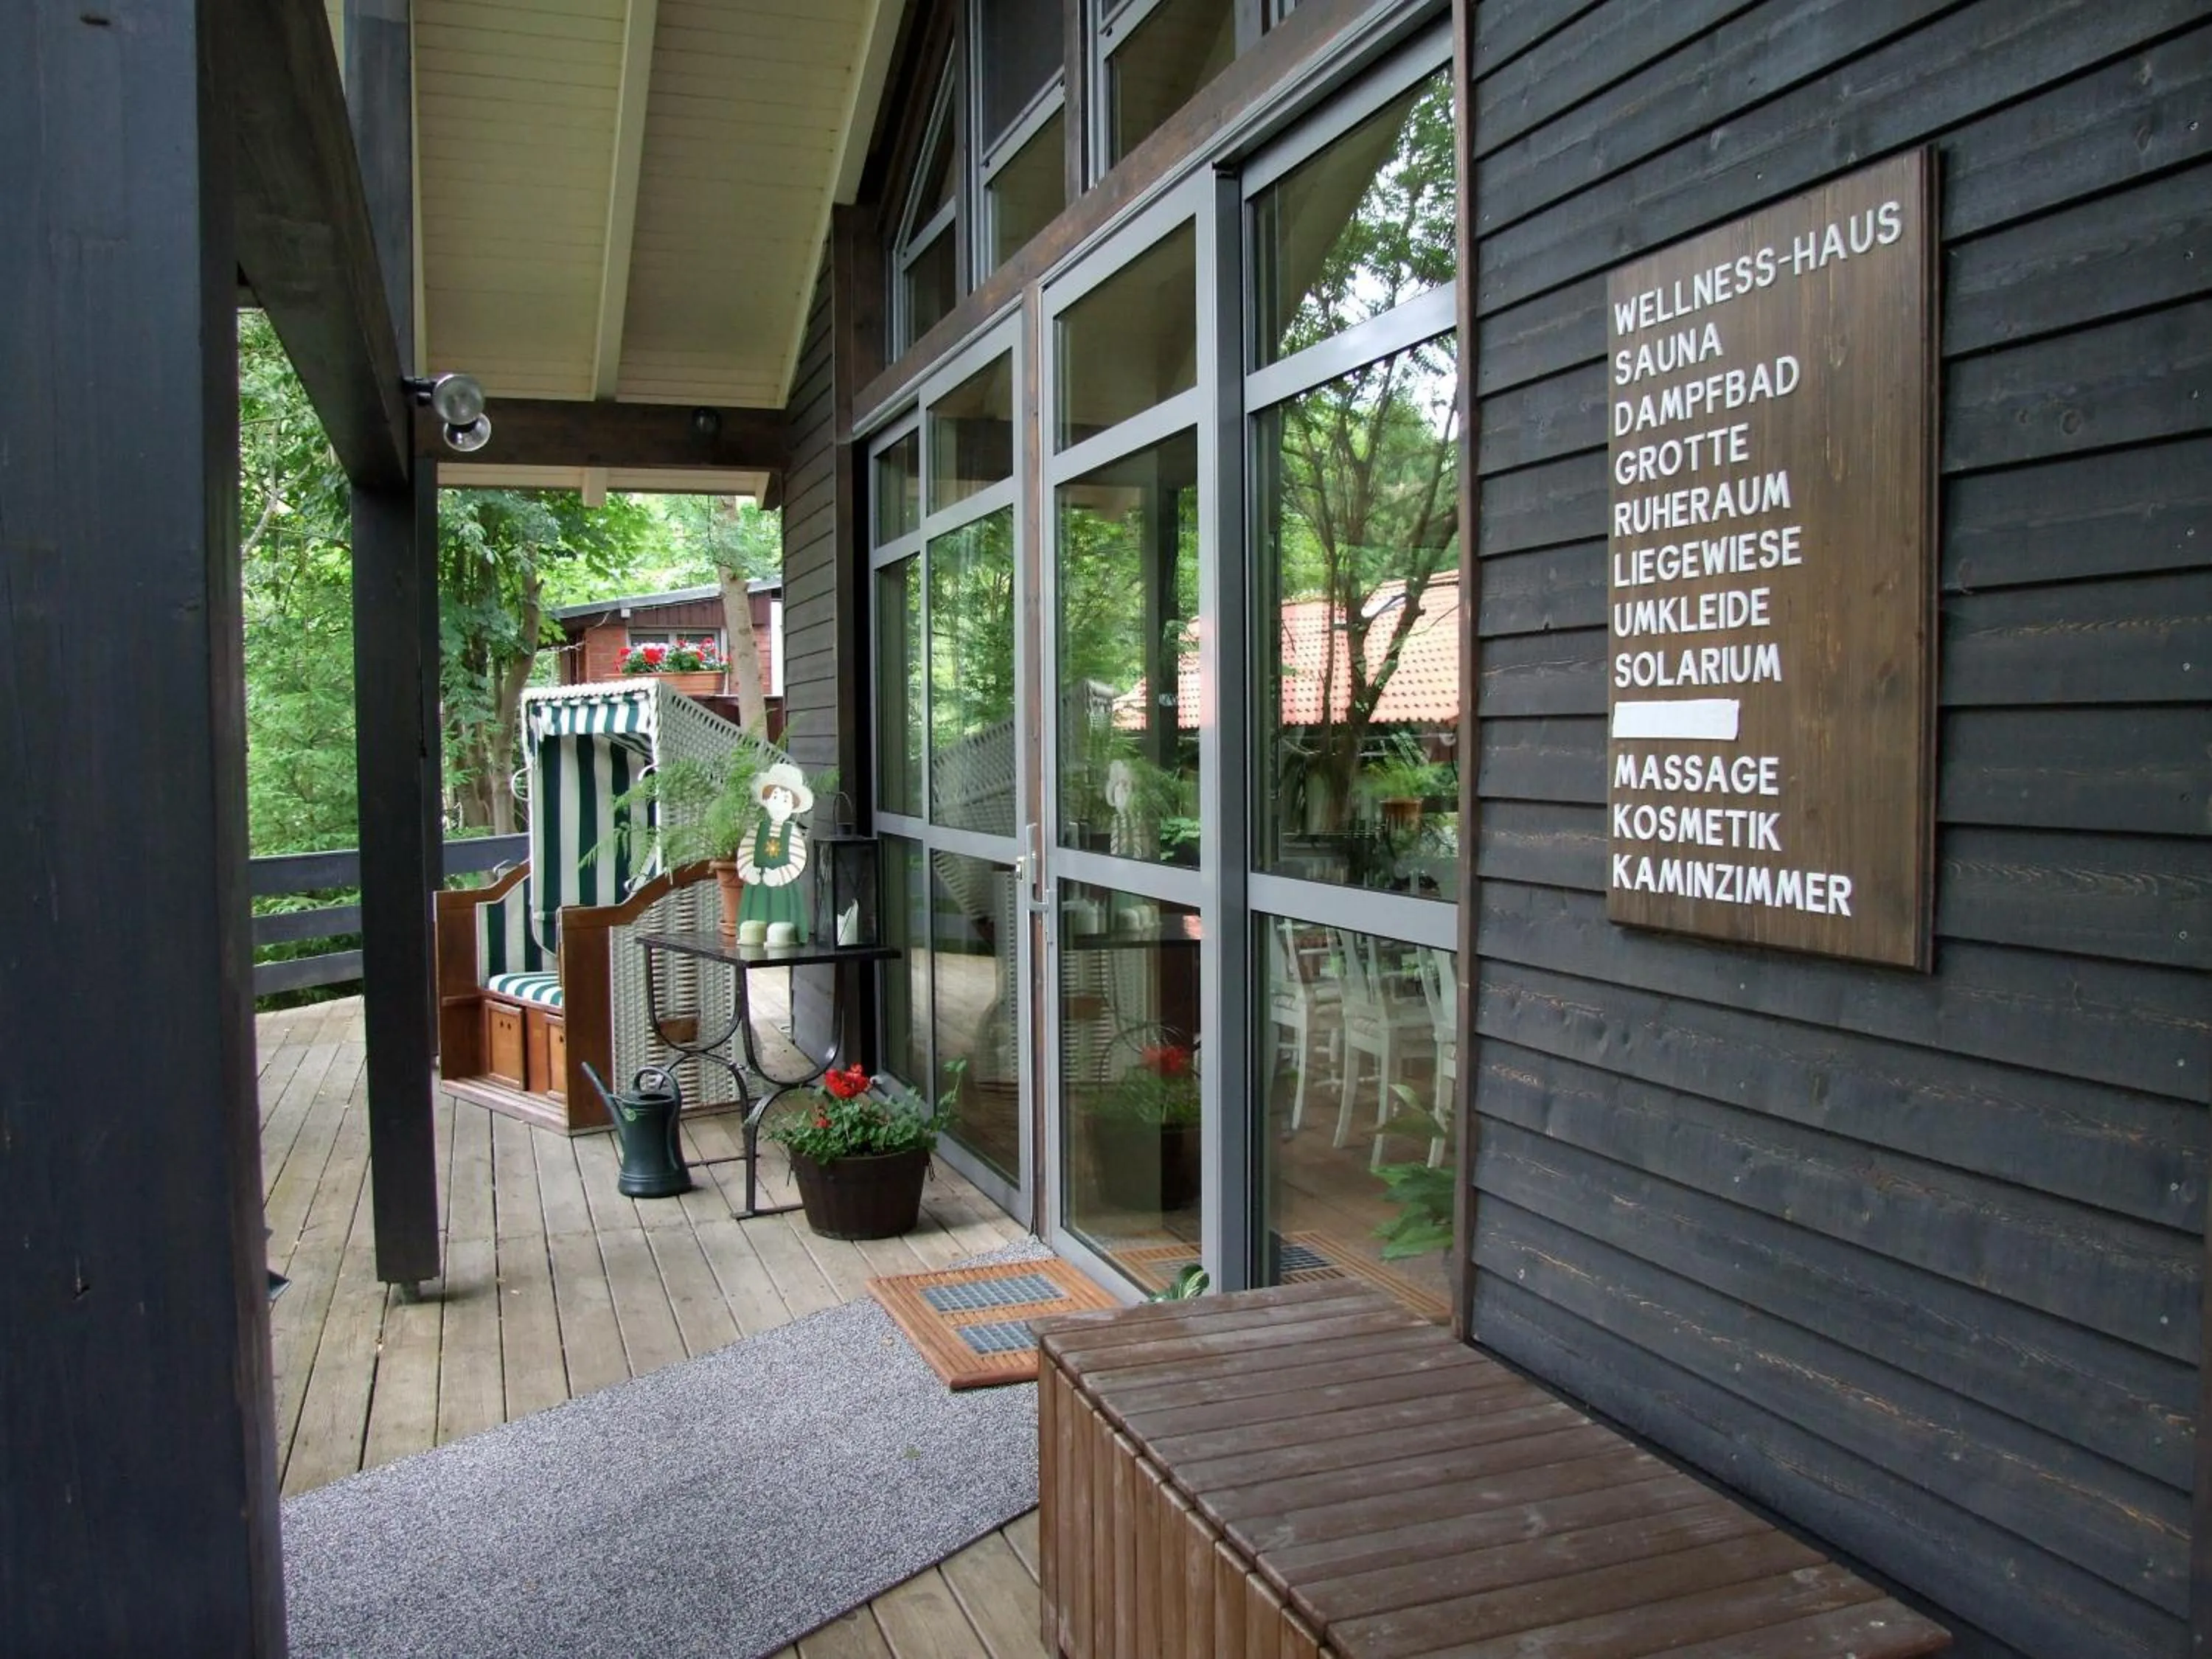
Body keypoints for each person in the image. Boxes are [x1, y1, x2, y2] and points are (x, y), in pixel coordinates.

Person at [735, 761, 813, 941]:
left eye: (785, 799)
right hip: (758, 884)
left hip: (783, 886)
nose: (779, 804)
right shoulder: (758, 829)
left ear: (793, 805)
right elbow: (746, 851)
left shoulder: (792, 832)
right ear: (767, 799)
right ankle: (751, 937)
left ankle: (786, 938)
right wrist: (749, 871)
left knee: (784, 916)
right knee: (755, 917)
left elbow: (798, 859)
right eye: (775, 797)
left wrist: (780, 874)